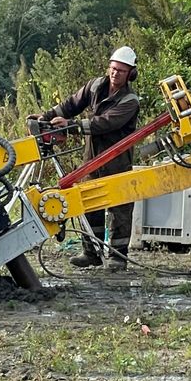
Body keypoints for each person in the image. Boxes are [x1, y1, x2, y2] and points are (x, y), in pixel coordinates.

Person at [30, 46, 141, 270]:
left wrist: (70, 126)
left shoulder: (130, 101)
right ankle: (92, 253)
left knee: (119, 210)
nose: (115, 73)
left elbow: (104, 123)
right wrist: (47, 117)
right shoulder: (95, 86)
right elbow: (71, 104)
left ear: (130, 73)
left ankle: (118, 258)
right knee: (89, 203)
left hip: (116, 160)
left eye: (121, 70)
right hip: (92, 158)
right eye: (113, 68)